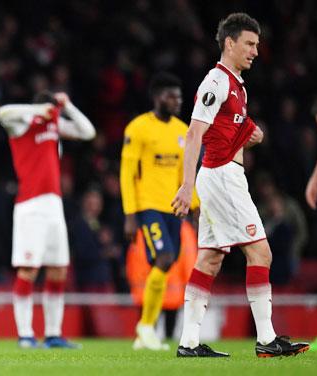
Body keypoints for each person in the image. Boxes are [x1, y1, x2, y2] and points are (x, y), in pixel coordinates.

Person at [171, 13, 309, 357]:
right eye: (249, 44)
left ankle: (188, 343)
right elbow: (193, 134)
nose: (255, 51)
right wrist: (186, 186)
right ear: (229, 43)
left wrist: (250, 134)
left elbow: (227, 129)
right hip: (222, 178)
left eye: (258, 45)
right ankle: (266, 340)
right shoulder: (215, 83)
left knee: (210, 260)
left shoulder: (236, 85)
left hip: (220, 175)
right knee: (261, 252)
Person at [0, 91, 96, 348]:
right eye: (51, 109)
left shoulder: (54, 126)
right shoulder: (21, 124)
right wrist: (37, 110)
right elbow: (2, 112)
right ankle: (25, 335)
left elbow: (88, 132)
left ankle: (53, 334)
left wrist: (69, 105)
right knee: (29, 269)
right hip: (30, 206)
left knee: (59, 269)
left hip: (54, 205)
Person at [120, 72, 199, 350]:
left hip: (174, 210)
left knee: (165, 264)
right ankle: (145, 326)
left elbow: (185, 174)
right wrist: (130, 214)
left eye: (179, 96)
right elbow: (127, 173)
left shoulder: (182, 131)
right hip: (147, 207)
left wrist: (196, 206)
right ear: (157, 97)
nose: (177, 101)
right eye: (171, 96)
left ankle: (145, 332)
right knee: (164, 258)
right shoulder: (139, 128)